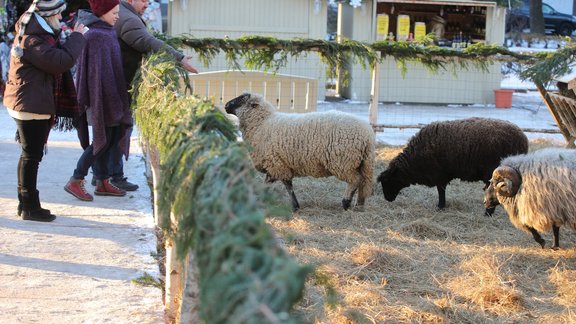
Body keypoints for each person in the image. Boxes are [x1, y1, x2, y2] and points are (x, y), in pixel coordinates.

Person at [93, 0, 199, 192]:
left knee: (113, 130)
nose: (147, 4)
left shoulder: (124, 14)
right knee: (115, 132)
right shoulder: (128, 19)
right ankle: (109, 177)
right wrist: (178, 57)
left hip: (116, 83)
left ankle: (103, 176)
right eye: (144, 0)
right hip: (119, 84)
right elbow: (147, 42)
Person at [4, 0, 87, 222]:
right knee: (31, 156)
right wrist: (78, 37)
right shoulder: (33, 39)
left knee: (30, 155)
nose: (61, 18)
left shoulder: (38, 34)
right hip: (30, 104)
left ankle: (26, 204)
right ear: (48, 15)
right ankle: (30, 206)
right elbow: (60, 61)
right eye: (59, 14)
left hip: (30, 101)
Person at [64, 0, 133, 201]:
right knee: (101, 142)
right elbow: (94, 73)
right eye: (114, 12)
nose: (118, 16)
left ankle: (102, 181)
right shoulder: (94, 35)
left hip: (110, 97)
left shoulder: (109, 31)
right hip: (97, 98)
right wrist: (100, 98)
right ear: (102, 12)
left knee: (110, 138)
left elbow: (111, 68)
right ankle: (76, 179)